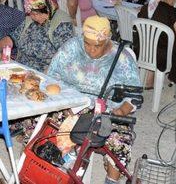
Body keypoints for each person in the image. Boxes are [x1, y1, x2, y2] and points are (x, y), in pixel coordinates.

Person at [47, 16, 140, 184]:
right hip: (73, 103)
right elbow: (52, 75)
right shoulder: (72, 47)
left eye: (97, 45)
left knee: (119, 144)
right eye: (87, 43)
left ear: (107, 41)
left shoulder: (122, 58)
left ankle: (111, 180)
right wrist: (64, 102)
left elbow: (134, 96)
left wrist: (119, 112)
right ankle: (58, 169)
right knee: (42, 130)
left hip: (107, 110)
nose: (90, 50)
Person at [0, 0, 74, 72]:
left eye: (39, 13)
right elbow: (12, 39)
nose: (36, 17)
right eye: (32, 14)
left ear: (48, 9)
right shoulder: (29, 21)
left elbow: (65, 58)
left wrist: (44, 76)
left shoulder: (61, 24)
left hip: (44, 72)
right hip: (20, 68)